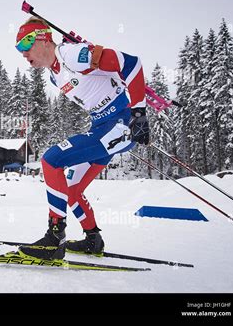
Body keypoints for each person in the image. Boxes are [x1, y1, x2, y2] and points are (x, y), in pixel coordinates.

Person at [15, 17, 150, 260]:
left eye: (25, 45)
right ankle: (92, 240)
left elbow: (131, 64)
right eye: (19, 49)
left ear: (44, 38)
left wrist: (139, 113)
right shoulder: (54, 75)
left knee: (51, 160)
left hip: (121, 124)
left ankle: (54, 239)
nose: (23, 53)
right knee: (72, 189)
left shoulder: (70, 54)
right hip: (102, 128)